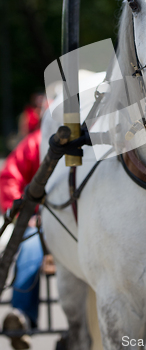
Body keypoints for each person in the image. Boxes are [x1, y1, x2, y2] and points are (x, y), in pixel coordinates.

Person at [0, 129, 44, 350]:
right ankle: (21, 318)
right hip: (36, 224)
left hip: (80, 223)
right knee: (29, 246)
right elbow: (10, 176)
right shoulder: (37, 142)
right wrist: (22, 216)